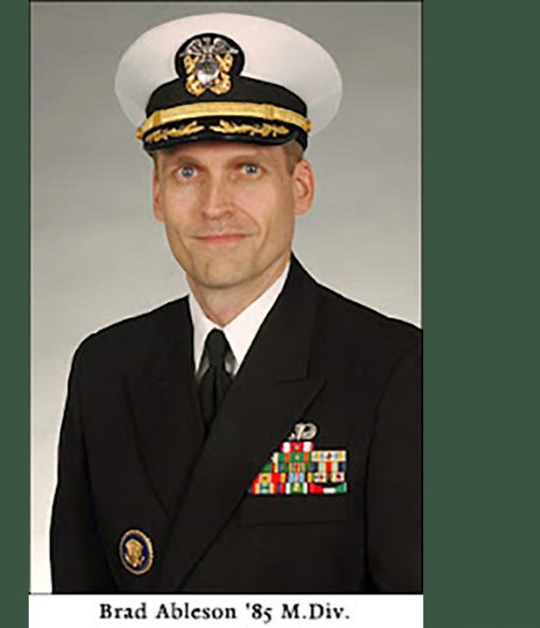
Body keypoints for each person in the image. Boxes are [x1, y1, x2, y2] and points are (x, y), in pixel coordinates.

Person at [50, 12, 421, 593]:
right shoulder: (104, 369)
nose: (213, 206)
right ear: (156, 195)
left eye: (247, 170)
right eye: (187, 172)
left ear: (299, 189)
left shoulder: (395, 369)